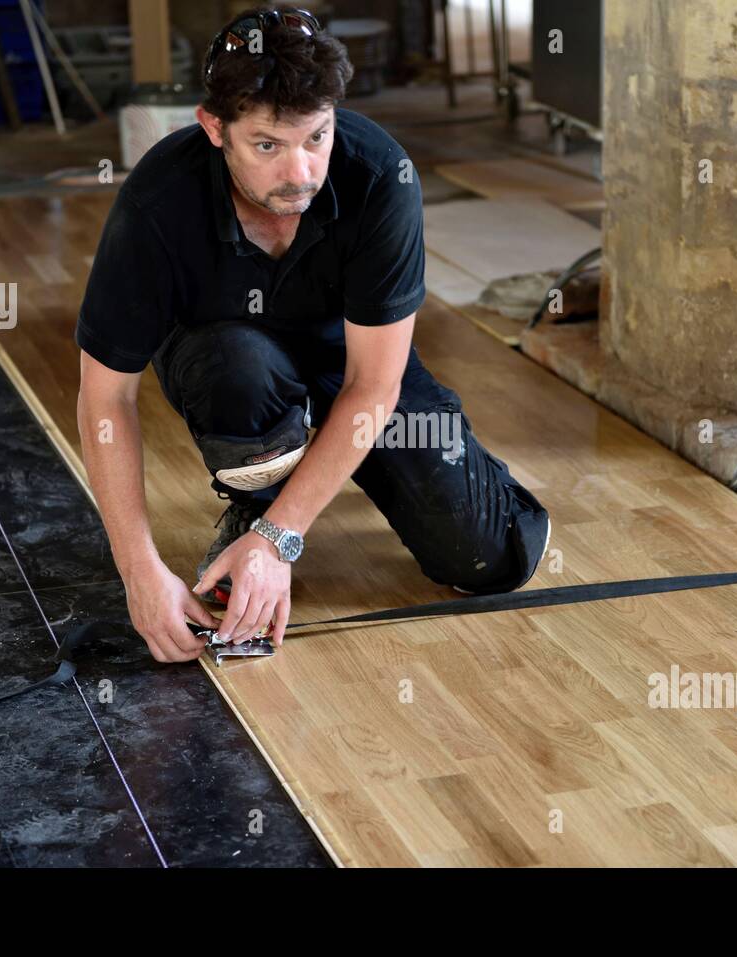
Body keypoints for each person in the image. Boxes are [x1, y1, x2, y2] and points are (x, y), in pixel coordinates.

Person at [75, 7, 550, 663]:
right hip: (233, 366)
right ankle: (254, 497)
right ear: (214, 128)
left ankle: (278, 517)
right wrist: (139, 571)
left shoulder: (381, 176)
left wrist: (281, 537)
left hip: (352, 371)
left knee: (487, 559)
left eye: (316, 138)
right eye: (268, 145)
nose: (299, 172)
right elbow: (105, 400)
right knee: (234, 367)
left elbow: (374, 383)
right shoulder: (159, 202)